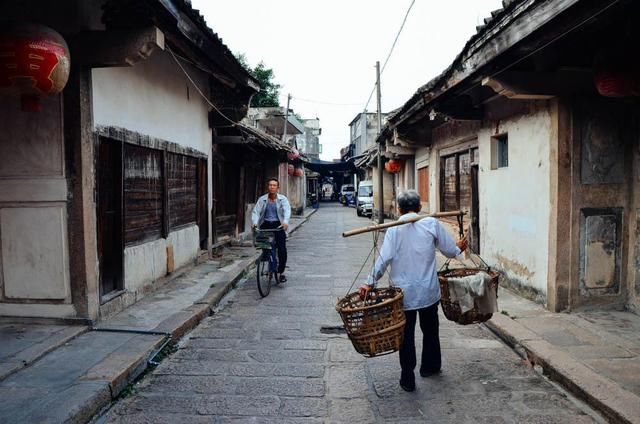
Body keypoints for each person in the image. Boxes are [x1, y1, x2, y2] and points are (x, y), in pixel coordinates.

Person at [360, 189, 467, 392]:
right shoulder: (431, 223)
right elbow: (449, 250)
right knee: (431, 331)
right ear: (418, 207)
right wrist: (459, 247)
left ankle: (407, 377)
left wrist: (369, 282)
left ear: (399, 209)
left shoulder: (393, 229)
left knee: (405, 336)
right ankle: (430, 367)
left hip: (403, 294)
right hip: (427, 291)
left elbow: (383, 260)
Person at [251, 178, 291, 283]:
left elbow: (287, 210)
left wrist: (285, 222)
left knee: (282, 249)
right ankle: (269, 260)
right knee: (265, 246)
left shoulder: (283, 199)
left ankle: (281, 272)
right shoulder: (262, 199)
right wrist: (255, 223)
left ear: (278, 188)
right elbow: (256, 212)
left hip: (279, 225)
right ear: (268, 187)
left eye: (274, 185)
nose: (272, 187)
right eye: (270, 185)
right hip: (266, 225)